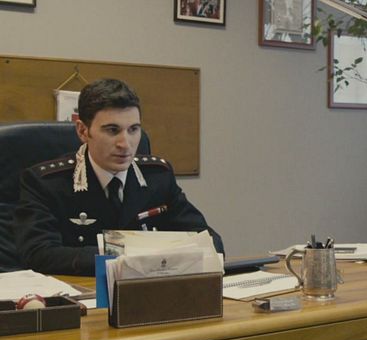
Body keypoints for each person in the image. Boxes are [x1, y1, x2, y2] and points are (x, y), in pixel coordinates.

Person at [14, 78, 224, 275]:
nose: (125, 144)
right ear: (83, 131)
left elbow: (208, 240)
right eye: (112, 130)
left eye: (133, 129)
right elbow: (38, 254)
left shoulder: (157, 176)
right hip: (83, 292)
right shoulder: (46, 182)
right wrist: (126, 257)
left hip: (146, 291)